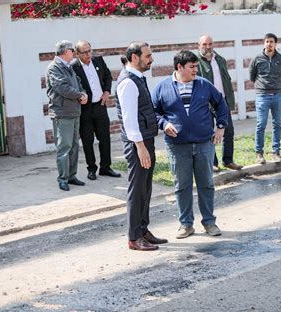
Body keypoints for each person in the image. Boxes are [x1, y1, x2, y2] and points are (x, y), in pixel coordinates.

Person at [152, 50, 229, 239]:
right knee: (182, 185)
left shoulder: (204, 85)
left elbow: (221, 104)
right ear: (179, 67)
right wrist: (164, 124)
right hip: (177, 146)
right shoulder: (162, 87)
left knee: (206, 184)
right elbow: (153, 112)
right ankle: (186, 224)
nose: (196, 70)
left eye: (196, 66)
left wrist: (221, 127)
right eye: (192, 67)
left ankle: (209, 222)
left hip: (204, 143)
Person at [116, 42, 167, 251]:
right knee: (137, 191)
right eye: (147, 56)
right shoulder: (128, 82)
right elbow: (129, 120)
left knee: (145, 189)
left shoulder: (138, 78)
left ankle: (143, 230)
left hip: (145, 140)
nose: (151, 59)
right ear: (134, 57)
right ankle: (134, 237)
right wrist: (140, 147)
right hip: (138, 143)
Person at [72, 40, 121, 180]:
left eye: (89, 51)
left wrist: (106, 92)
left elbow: (107, 76)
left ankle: (105, 167)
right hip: (85, 109)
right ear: (77, 54)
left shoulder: (98, 60)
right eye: (84, 52)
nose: (88, 54)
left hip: (100, 105)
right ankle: (91, 168)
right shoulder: (74, 67)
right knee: (87, 140)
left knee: (104, 137)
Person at [196, 35, 243, 172]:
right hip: (206, 103)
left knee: (229, 131)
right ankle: (213, 162)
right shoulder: (196, 61)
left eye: (210, 44)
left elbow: (226, 80)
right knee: (209, 132)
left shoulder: (220, 59)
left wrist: (230, 100)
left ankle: (228, 161)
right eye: (204, 44)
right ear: (199, 45)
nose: (208, 47)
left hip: (222, 102)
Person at [46, 40, 88, 191]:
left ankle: (72, 175)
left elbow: (78, 83)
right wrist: (79, 95)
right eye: (72, 50)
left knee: (74, 146)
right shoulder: (54, 68)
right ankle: (62, 178)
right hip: (62, 113)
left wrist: (83, 93)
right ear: (64, 51)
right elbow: (62, 87)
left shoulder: (68, 66)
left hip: (74, 111)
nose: (74, 52)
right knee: (64, 147)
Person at [249, 33, 281, 164]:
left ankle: (276, 152)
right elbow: (252, 76)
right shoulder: (257, 58)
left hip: (277, 95)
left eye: (271, 42)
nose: (269, 44)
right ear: (264, 43)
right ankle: (259, 153)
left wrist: (276, 86)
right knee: (261, 124)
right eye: (267, 41)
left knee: (277, 124)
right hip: (262, 95)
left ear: (275, 44)